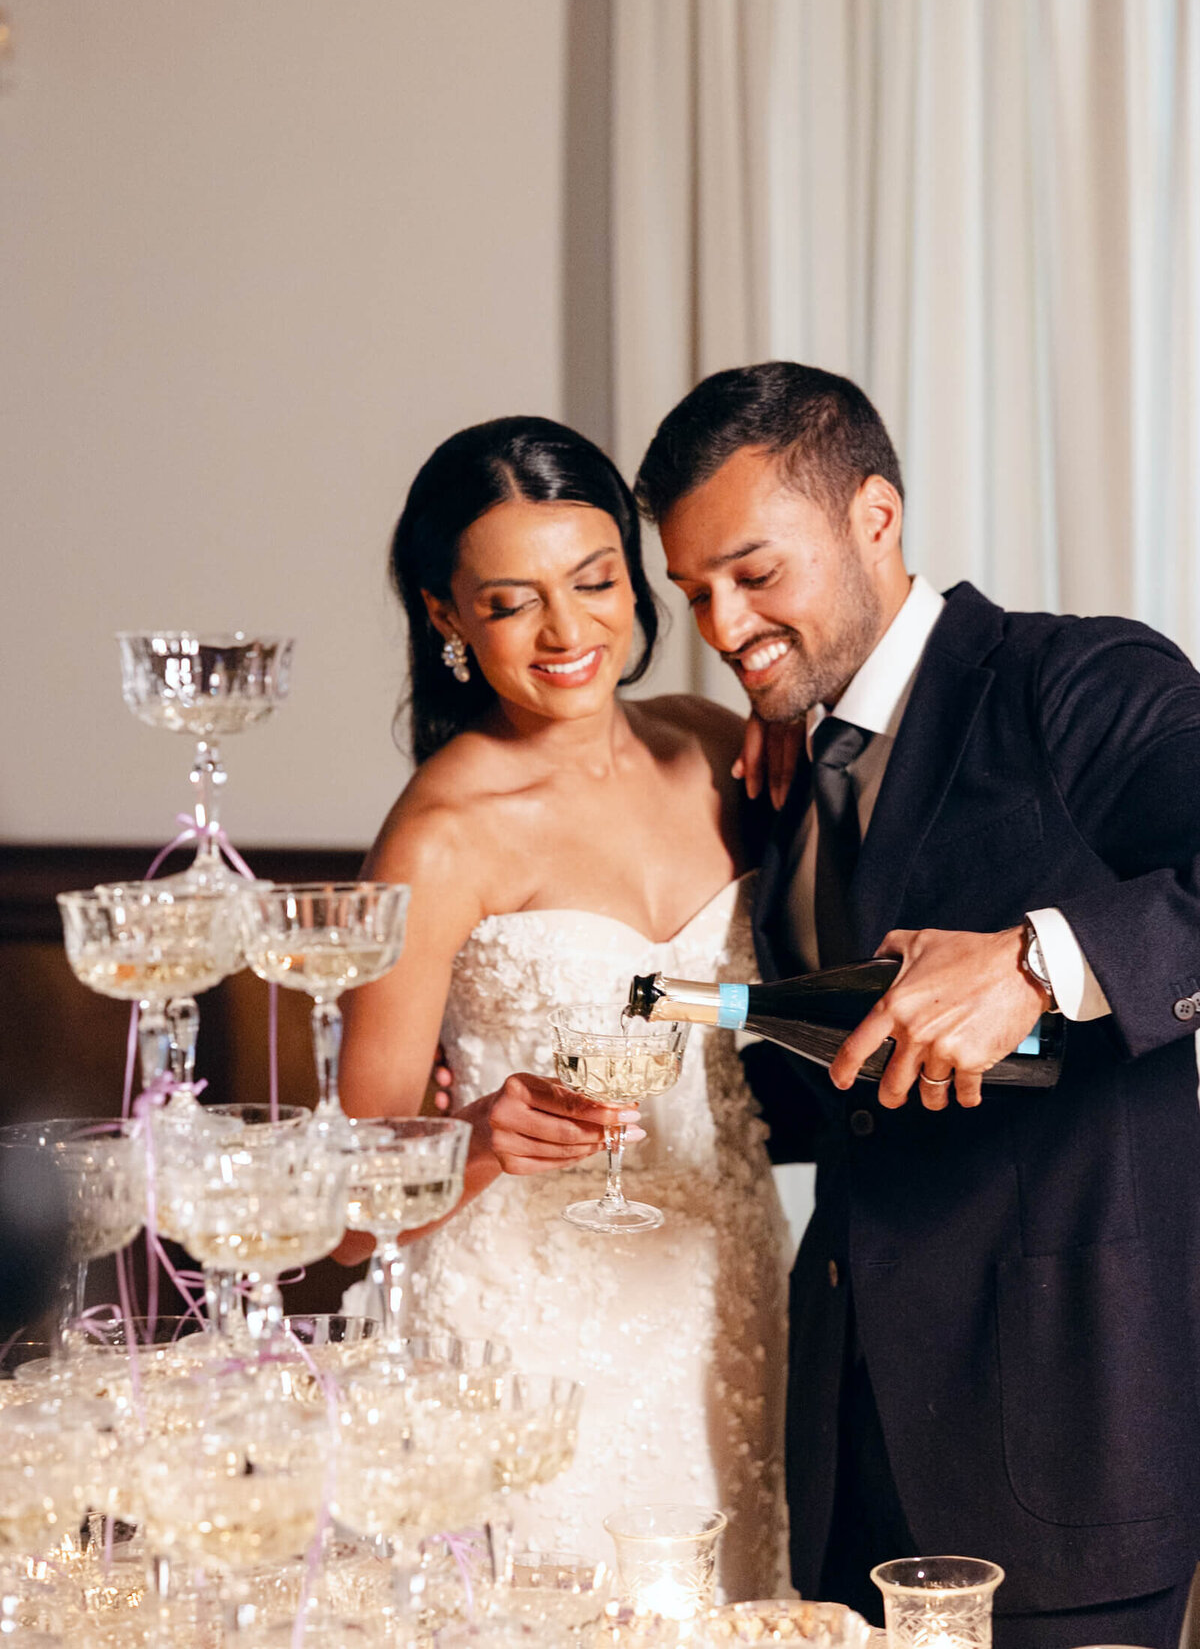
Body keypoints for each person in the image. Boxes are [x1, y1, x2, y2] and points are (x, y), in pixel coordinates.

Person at [623, 359, 1200, 1648]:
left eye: (755, 572)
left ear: (875, 517)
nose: (722, 624)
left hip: (1069, 1438)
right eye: (694, 590)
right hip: (850, 1445)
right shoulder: (790, 773)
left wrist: (1036, 962)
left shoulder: (1075, 682)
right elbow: (836, 1091)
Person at [336, 416, 791, 1595]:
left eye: (595, 582)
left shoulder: (715, 747)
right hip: (527, 1344)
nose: (568, 630)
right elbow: (341, 1207)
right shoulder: (440, 838)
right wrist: (476, 1140)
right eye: (510, 602)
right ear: (445, 615)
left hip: (723, 1301)